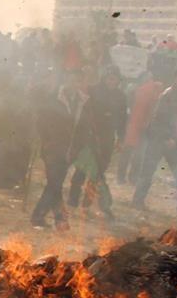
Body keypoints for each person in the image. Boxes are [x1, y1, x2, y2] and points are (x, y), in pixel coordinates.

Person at [131, 67, 177, 214]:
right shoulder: (167, 95)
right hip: (159, 140)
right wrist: (168, 137)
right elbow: (159, 119)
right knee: (147, 172)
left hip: (176, 141)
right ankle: (137, 201)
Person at [67, 67, 127, 219]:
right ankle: (72, 202)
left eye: (114, 79)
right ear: (104, 79)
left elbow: (122, 119)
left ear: (119, 81)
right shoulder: (93, 92)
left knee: (98, 173)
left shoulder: (121, 97)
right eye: (109, 78)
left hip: (107, 139)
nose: (111, 82)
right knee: (81, 170)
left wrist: (121, 137)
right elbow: (84, 112)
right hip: (89, 137)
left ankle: (86, 205)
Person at [29, 70, 77, 229]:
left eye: (76, 81)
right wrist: (45, 140)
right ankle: (42, 216)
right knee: (55, 182)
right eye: (71, 80)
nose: (73, 83)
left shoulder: (78, 99)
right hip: (53, 147)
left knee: (55, 183)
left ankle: (58, 218)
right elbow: (40, 122)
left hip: (68, 147)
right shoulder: (52, 98)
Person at [116, 72, 163, 184]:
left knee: (130, 152)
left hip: (134, 123)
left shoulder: (137, 90)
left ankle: (122, 177)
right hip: (140, 124)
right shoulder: (151, 90)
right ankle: (131, 177)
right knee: (136, 153)